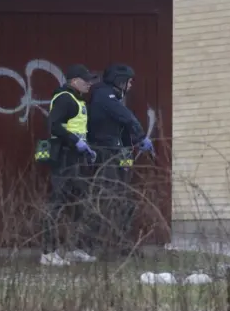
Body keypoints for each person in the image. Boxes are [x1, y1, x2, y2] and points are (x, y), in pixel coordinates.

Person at [87, 63, 154, 257]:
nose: (131, 84)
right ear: (119, 80)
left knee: (123, 199)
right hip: (106, 153)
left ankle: (124, 245)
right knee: (111, 198)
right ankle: (104, 247)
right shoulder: (104, 96)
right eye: (129, 81)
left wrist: (134, 142)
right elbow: (126, 117)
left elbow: (118, 128)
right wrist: (141, 136)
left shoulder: (112, 97)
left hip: (116, 152)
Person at [40, 64, 98, 266]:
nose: (89, 83)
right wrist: (76, 142)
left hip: (77, 158)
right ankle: (48, 253)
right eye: (86, 80)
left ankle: (75, 248)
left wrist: (85, 147)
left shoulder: (77, 99)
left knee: (79, 204)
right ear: (74, 81)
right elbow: (54, 125)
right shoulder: (65, 99)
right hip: (65, 158)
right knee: (57, 203)